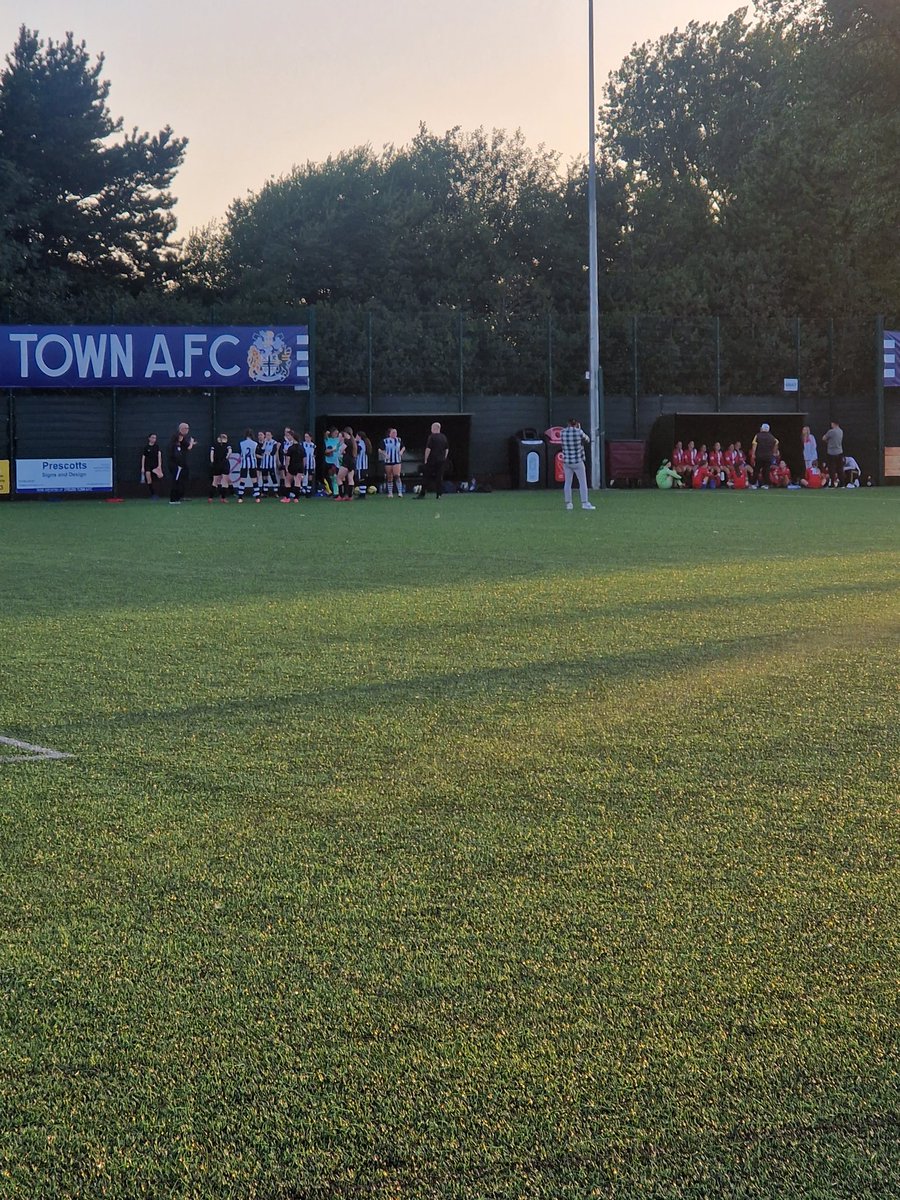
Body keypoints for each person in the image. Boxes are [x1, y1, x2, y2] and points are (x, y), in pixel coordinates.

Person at [559, 418, 595, 510]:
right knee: (582, 482)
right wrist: (580, 429)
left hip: (567, 461)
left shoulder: (562, 432)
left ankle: (569, 503)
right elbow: (587, 439)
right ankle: (584, 502)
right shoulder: (579, 432)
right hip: (578, 461)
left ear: (568, 423)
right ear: (576, 424)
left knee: (567, 483)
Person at [420, 421, 450, 500]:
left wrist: (426, 459)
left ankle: (422, 493)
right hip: (441, 461)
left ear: (434, 428)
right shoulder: (444, 437)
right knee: (439, 477)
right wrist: (444, 457)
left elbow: (428, 449)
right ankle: (439, 494)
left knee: (426, 476)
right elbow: (447, 449)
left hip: (432, 460)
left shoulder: (431, 437)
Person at [168, 422, 196, 504]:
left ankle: (179, 496)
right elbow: (186, 448)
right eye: (186, 428)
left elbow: (187, 447)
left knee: (181, 480)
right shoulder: (176, 441)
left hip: (180, 464)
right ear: (181, 429)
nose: (187, 430)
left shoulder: (181, 440)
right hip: (176, 464)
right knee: (175, 480)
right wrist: (191, 442)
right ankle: (173, 499)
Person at [750, 423, 777, 489]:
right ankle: (766, 484)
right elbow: (776, 443)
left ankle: (753, 484)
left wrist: (753, 454)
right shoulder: (772, 437)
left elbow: (754, 445)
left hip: (759, 456)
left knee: (756, 470)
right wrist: (773, 452)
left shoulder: (757, 435)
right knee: (766, 470)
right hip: (768, 456)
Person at [380, 427, 405, 496]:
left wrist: (401, 452)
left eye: (395, 432)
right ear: (389, 433)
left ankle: (400, 492)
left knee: (397, 475)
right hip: (388, 461)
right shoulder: (385, 441)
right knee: (389, 476)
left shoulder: (398, 440)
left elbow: (403, 447)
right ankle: (390, 493)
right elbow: (380, 449)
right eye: (393, 432)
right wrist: (385, 454)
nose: (395, 434)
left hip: (397, 460)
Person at [236, 428, 258, 503]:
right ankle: (257, 497)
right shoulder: (255, 443)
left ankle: (240, 497)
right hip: (253, 463)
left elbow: (240, 453)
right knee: (254, 480)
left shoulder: (241, 443)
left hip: (244, 463)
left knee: (242, 480)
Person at [209, 432, 232, 502]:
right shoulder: (227, 445)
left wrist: (212, 461)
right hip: (224, 463)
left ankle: (210, 497)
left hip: (216, 464)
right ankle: (223, 498)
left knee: (215, 481)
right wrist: (227, 457)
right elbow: (230, 452)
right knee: (225, 481)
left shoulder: (214, 445)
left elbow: (211, 454)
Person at [140, 433, 163, 499]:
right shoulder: (146, 447)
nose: (154, 439)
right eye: (152, 437)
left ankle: (157, 494)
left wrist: (159, 466)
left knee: (157, 479)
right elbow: (143, 457)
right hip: (148, 466)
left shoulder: (157, 447)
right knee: (149, 479)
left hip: (155, 466)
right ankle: (153, 494)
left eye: (155, 438)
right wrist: (142, 467)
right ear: (149, 438)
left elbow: (159, 456)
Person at [336, 428, 357, 500]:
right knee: (350, 478)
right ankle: (350, 496)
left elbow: (341, 450)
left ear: (345, 433)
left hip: (346, 461)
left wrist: (343, 452)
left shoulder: (346, 441)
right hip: (352, 461)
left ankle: (341, 495)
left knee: (339, 478)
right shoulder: (353, 441)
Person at [822, 421, 844, 487]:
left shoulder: (831, 431)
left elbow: (824, 438)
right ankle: (842, 483)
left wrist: (828, 442)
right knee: (840, 468)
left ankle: (832, 484)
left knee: (832, 469)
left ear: (834, 424)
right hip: (839, 451)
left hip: (831, 452)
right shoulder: (841, 431)